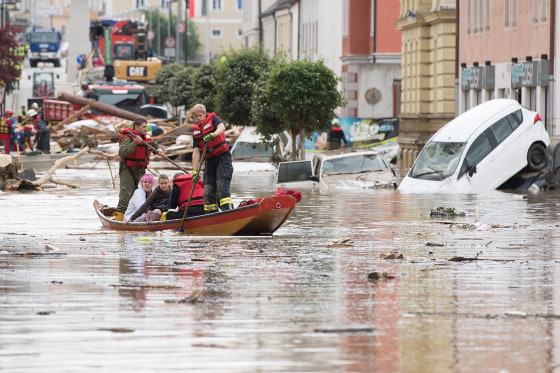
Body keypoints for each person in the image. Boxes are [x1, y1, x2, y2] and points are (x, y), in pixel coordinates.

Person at [114, 118, 165, 221]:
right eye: (144, 127)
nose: (146, 129)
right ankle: (119, 218)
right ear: (136, 127)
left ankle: (143, 215)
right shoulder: (127, 138)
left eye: (146, 127)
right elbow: (122, 153)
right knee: (126, 193)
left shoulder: (146, 137)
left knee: (144, 191)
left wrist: (159, 149)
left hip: (140, 169)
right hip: (127, 168)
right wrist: (135, 143)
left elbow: (155, 145)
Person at [191, 104, 234, 213]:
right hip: (209, 160)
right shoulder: (196, 131)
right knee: (208, 190)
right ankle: (210, 215)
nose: (198, 118)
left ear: (205, 114)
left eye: (200, 115)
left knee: (221, 187)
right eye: (196, 116)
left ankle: (227, 212)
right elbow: (196, 151)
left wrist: (213, 135)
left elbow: (222, 128)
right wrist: (195, 171)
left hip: (222, 157)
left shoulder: (214, 120)